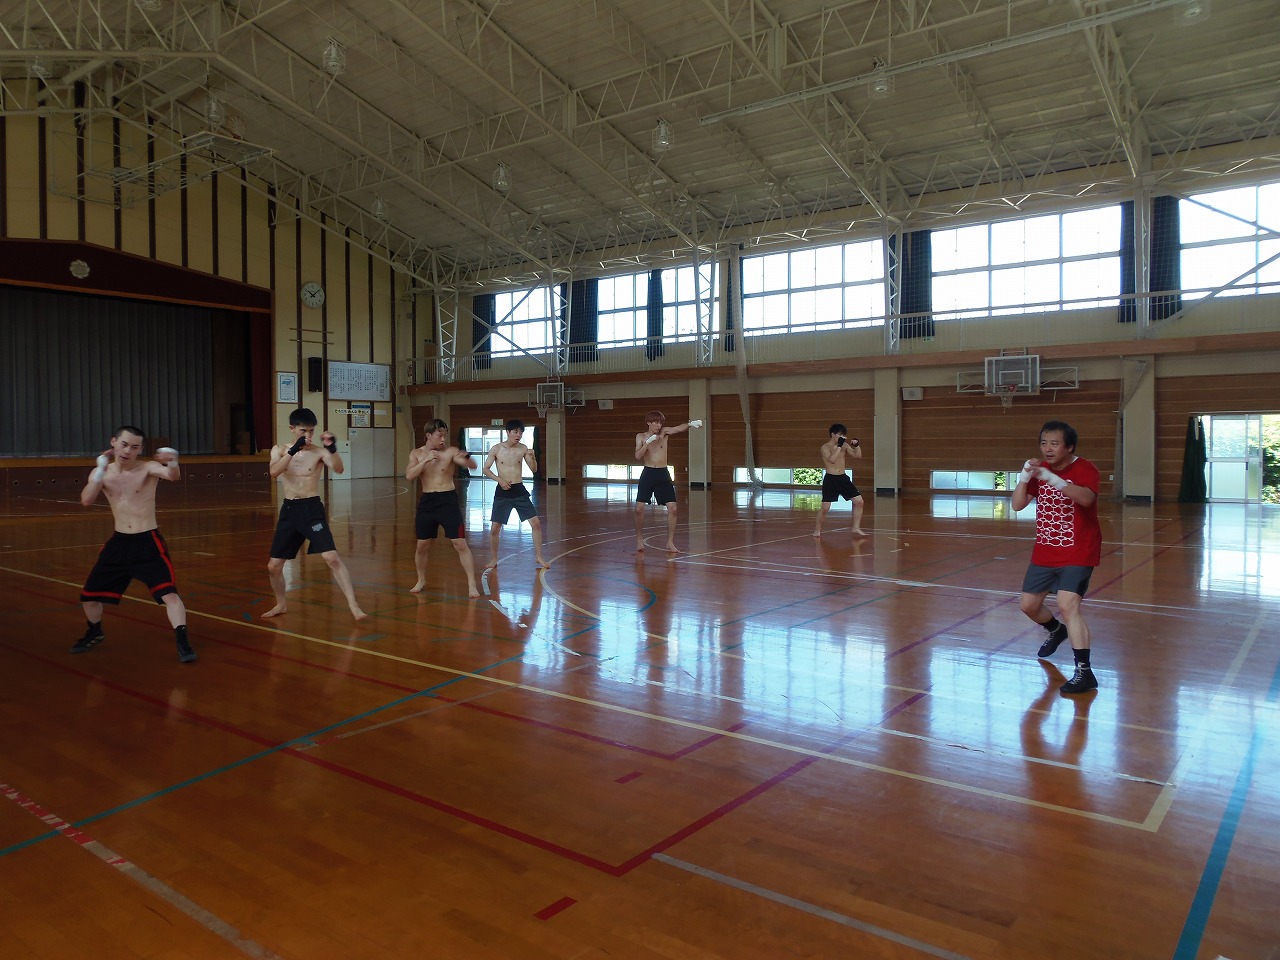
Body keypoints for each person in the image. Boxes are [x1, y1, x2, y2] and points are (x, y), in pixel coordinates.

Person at [73, 426, 196, 663]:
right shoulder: (103, 472)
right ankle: (94, 631)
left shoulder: (147, 468)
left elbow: (173, 476)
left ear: (141, 450)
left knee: (169, 594)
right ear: (114, 443)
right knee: (89, 597)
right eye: (124, 444)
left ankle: (183, 640)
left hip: (148, 541)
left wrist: (173, 461)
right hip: (119, 543)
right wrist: (99, 471)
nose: (128, 450)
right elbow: (86, 500)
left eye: (135, 447)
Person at [1011, 419, 1103, 695]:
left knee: (1067, 604)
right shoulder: (1042, 469)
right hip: (1046, 550)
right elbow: (1017, 505)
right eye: (1043, 443)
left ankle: (1084, 673)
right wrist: (1024, 477)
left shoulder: (1085, 468)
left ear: (1069, 446)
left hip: (1079, 549)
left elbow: (1086, 499)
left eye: (1054, 443)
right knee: (1028, 605)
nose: (1048, 449)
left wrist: (1052, 479)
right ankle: (1056, 630)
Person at [263, 408, 367, 621]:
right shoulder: (279, 450)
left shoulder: (319, 452)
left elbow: (338, 469)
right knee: (273, 566)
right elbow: (273, 473)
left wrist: (332, 449)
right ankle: (281, 604)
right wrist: (292, 451)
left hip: (312, 509)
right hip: (290, 510)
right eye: (303, 431)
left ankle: (354, 605)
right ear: (292, 429)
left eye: (311, 431)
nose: (308, 436)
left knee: (332, 557)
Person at [406, 418, 481, 598]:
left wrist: (467, 458)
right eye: (439, 435)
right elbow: (409, 475)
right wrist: (426, 460)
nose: (443, 439)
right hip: (428, 502)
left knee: (460, 543)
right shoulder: (416, 453)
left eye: (445, 435)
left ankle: (471, 585)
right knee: (422, 545)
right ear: (428, 435)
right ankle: (421, 579)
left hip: (448, 501)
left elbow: (473, 465)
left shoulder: (450, 452)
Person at [482, 419, 548, 570]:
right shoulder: (496, 449)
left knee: (536, 523)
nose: (518, 435)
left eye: (521, 432)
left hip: (519, 490)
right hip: (503, 491)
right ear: (508, 432)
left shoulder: (523, 449)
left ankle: (538, 556)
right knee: (495, 528)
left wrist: (533, 458)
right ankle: (493, 559)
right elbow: (486, 469)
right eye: (515, 432)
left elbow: (534, 470)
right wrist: (499, 480)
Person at [634, 410, 703, 553]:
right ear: (648, 422)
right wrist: (647, 443)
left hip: (662, 473)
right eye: (656, 422)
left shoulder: (664, 433)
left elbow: (678, 428)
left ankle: (670, 542)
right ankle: (639, 538)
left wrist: (691, 424)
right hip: (648, 473)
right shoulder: (640, 436)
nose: (659, 425)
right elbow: (637, 456)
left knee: (673, 509)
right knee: (639, 509)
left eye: (660, 422)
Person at [814, 423, 866, 537]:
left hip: (843, 478)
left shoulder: (844, 445)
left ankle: (856, 527)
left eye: (843, 435)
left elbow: (857, 456)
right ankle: (817, 530)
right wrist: (839, 446)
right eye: (840, 435)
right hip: (831, 479)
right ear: (833, 434)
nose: (842, 437)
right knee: (825, 508)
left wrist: (857, 446)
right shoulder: (825, 447)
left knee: (859, 502)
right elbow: (832, 459)